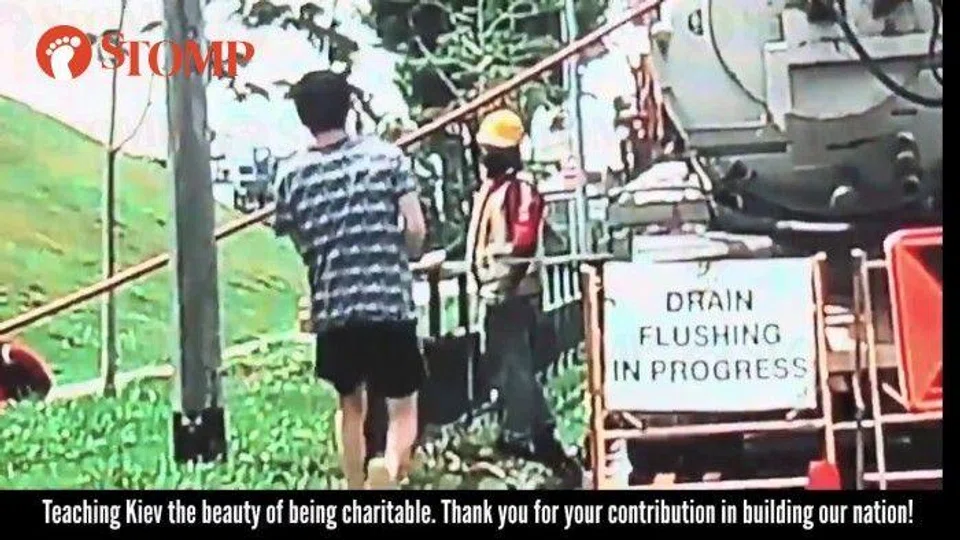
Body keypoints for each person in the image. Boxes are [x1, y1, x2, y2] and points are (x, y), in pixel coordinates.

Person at [273, 70, 428, 489]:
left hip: (334, 303)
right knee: (402, 406)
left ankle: (355, 487)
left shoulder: (291, 175)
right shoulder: (387, 158)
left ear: (304, 117)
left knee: (350, 405)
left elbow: (295, 233)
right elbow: (415, 228)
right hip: (388, 300)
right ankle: (390, 472)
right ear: (350, 107)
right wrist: (403, 252)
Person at [466, 109, 581, 486]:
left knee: (514, 369)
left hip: (514, 295)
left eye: (493, 150)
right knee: (510, 369)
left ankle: (519, 438)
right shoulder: (489, 191)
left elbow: (524, 241)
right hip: (494, 291)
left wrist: (504, 283)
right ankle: (544, 437)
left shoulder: (522, 191)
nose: (486, 156)